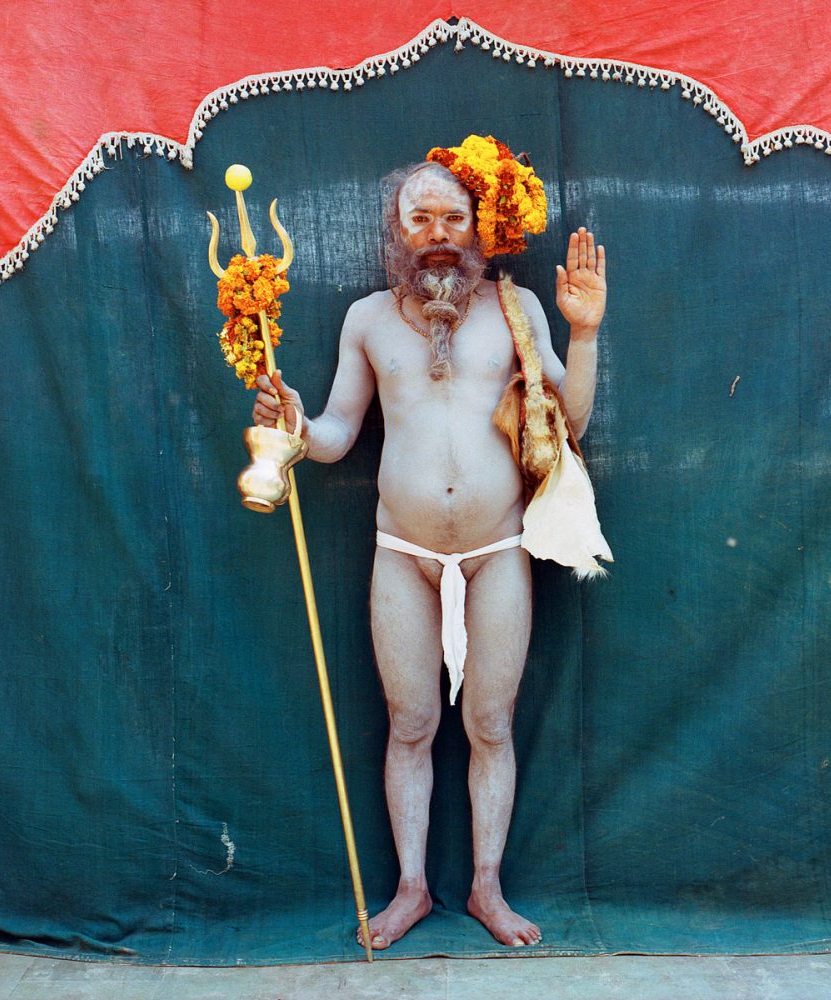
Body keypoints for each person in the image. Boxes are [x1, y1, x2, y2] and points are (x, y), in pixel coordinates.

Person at [253, 137, 608, 950]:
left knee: (491, 724)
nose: (438, 230)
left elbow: (573, 423)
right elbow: (340, 434)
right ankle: (411, 889)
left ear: (480, 225)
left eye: (454, 215)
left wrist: (583, 335)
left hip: (498, 551)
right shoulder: (368, 321)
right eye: (422, 217)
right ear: (397, 230)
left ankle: (486, 888)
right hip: (399, 553)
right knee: (408, 724)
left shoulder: (515, 311)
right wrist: (298, 425)